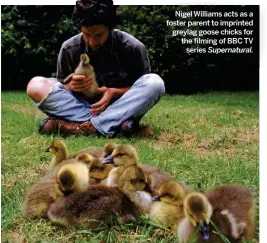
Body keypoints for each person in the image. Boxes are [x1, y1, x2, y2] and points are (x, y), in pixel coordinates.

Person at [26, 0, 165, 138]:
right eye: (86, 34)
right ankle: (112, 126)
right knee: (35, 85)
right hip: (83, 109)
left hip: (119, 108)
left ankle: (83, 127)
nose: (92, 42)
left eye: (98, 35)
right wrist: (71, 86)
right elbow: (62, 91)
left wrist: (114, 92)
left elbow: (141, 90)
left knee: (155, 83)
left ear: (110, 28)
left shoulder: (133, 47)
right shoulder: (69, 48)